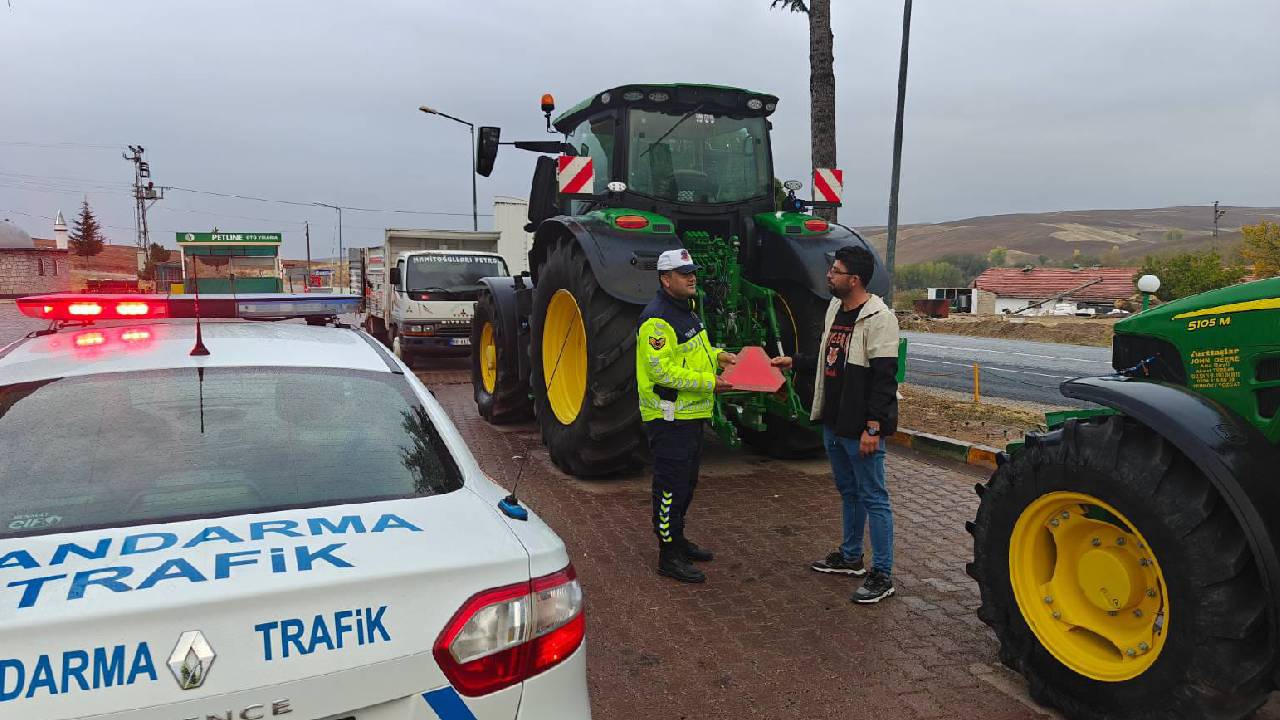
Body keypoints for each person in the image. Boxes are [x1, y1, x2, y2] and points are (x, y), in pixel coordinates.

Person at [772, 245, 900, 603]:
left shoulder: (879, 318)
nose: (829, 275)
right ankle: (850, 556)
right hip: (833, 421)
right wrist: (794, 361)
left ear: (854, 279)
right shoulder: (835, 309)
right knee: (849, 492)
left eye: (836, 271)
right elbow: (832, 360)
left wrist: (873, 428)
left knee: (875, 497)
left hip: (860, 427)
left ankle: (883, 573)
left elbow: (884, 380)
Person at [636, 248, 736, 583]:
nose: (692, 277)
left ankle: (677, 539)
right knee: (669, 487)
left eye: (693, 270)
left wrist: (721, 356)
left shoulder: (687, 310)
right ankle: (668, 555)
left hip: (690, 415)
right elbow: (662, 372)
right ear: (666, 279)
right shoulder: (657, 320)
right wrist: (710, 383)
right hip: (669, 418)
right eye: (684, 273)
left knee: (686, 483)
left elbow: (698, 352)